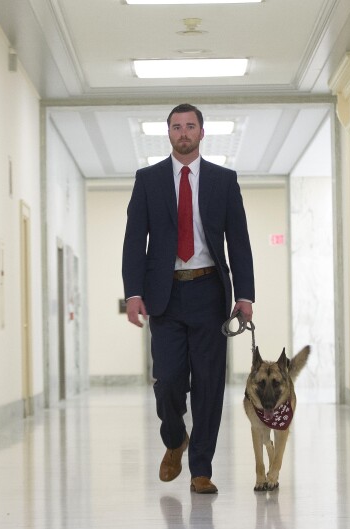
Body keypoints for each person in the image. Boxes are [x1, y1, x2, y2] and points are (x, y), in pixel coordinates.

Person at [122, 103, 254, 494]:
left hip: (210, 291)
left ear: (201, 132)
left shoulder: (223, 180)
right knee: (167, 381)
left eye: (190, 126)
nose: (183, 132)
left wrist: (244, 295)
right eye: (176, 126)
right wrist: (133, 293)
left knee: (210, 384)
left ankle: (201, 469)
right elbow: (134, 240)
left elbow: (239, 242)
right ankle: (175, 437)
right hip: (165, 294)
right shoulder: (147, 180)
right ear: (168, 134)